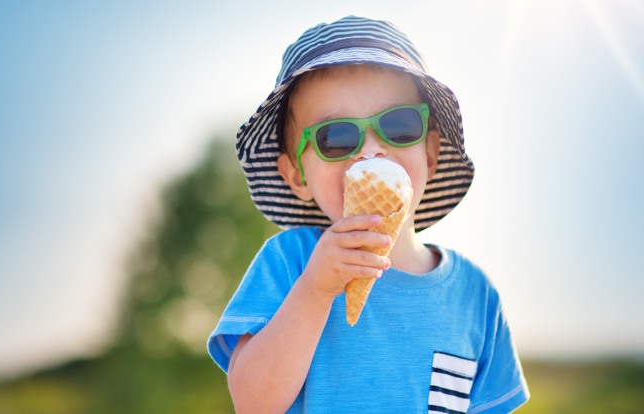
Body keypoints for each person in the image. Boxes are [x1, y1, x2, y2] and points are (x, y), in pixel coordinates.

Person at [207, 15, 529, 413]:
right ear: (297, 176)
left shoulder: (475, 295)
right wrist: (315, 290)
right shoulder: (290, 263)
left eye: (398, 125)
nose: (372, 150)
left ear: (429, 153)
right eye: (336, 136)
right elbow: (253, 403)